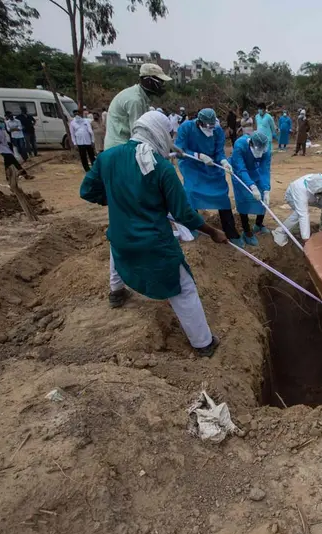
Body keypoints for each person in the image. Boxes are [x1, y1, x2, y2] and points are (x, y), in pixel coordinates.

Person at [79, 110, 226, 357]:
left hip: (121, 236)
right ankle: (204, 343)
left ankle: (116, 293)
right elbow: (184, 215)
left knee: (118, 246)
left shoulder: (107, 157)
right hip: (154, 244)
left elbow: (87, 191)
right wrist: (212, 232)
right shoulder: (162, 169)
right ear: (158, 132)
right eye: (168, 134)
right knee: (184, 287)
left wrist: (116, 201)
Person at [175, 108, 242, 247]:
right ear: (199, 123)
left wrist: (224, 161)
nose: (210, 130)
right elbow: (179, 150)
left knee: (222, 194)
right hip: (192, 165)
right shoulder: (186, 128)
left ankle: (230, 231)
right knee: (191, 192)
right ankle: (192, 226)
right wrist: (198, 156)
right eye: (208, 127)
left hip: (212, 165)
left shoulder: (217, 131)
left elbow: (219, 151)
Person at [104, 63, 171, 150]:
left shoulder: (142, 98)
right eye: (160, 81)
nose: (163, 85)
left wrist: (170, 146)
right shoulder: (135, 100)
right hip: (119, 148)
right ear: (149, 81)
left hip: (124, 146)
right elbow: (139, 135)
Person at [272, 174, 322, 247]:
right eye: (319, 193)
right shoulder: (299, 189)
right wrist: (306, 238)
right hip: (293, 198)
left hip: (312, 197)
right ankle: (280, 231)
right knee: (298, 214)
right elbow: (303, 215)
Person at [231, 130, 272, 246]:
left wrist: (266, 190)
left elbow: (265, 170)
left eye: (262, 150)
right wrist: (252, 186)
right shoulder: (240, 145)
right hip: (240, 173)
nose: (261, 152)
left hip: (256, 171)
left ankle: (258, 224)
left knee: (263, 199)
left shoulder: (267, 150)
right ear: (251, 145)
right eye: (258, 150)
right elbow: (241, 168)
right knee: (244, 200)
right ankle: (247, 231)